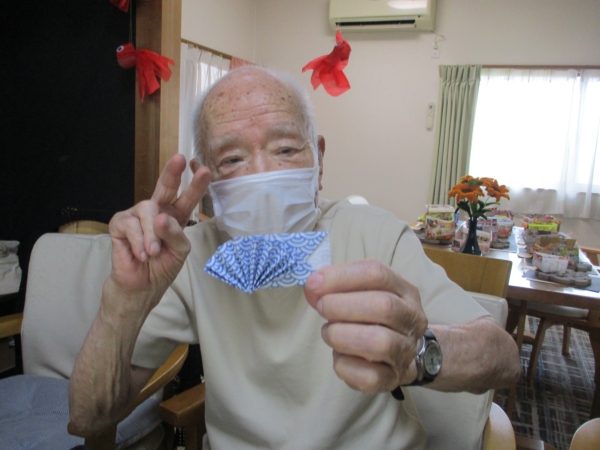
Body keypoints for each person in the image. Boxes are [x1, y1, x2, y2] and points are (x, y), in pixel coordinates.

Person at [69, 66, 520, 449]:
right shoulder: (187, 256)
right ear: (203, 178)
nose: (263, 176)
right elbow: (88, 418)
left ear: (318, 159)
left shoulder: (373, 234)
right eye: (232, 159)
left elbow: (502, 357)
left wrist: (416, 354)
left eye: (285, 150)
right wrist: (123, 303)